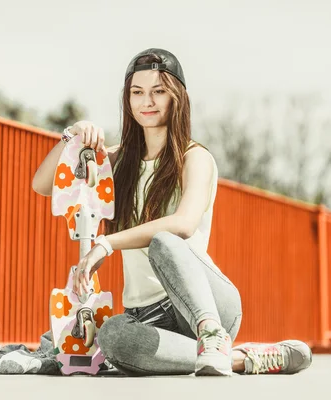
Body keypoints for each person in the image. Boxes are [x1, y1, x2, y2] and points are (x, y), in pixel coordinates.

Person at [32, 48, 312, 376]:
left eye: (158, 91)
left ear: (177, 96)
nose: (146, 101)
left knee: (163, 241)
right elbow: (44, 184)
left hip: (206, 304)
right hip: (149, 316)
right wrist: (74, 135)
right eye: (137, 93)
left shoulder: (195, 158)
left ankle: (211, 334)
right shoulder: (117, 161)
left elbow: (183, 224)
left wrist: (106, 244)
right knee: (112, 336)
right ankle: (241, 358)